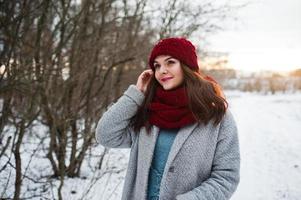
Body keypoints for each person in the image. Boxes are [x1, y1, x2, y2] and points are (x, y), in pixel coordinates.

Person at [96, 37, 240, 200]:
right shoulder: (148, 112)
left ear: (186, 66)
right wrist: (136, 93)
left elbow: (226, 178)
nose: (161, 70)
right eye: (157, 65)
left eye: (170, 62)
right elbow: (105, 135)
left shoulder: (216, 117)